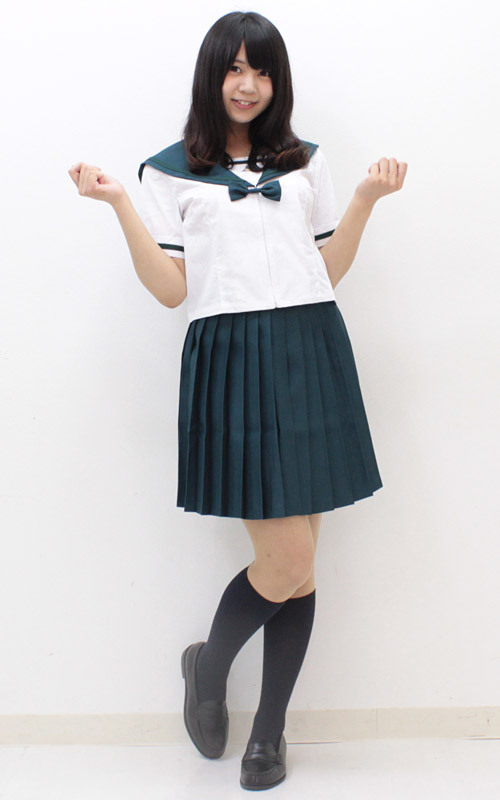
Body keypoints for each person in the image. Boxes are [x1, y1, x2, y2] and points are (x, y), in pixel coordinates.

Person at [68, 10, 407, 792]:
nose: (247, 84)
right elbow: (172, 289)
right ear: (211, 76)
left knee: (302, 564)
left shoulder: (306, 162)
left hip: (311, 347)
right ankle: (210, 668)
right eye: (233, 68)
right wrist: (119, 204)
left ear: (277, 81)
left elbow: (327, 270)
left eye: (261, 70)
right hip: (232, 356)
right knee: (288, 558)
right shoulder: (169, 172)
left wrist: (363, 199)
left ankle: (269, 733)